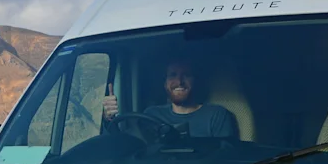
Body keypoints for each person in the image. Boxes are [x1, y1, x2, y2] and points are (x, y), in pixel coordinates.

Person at [101, 59, 239, 138]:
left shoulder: (216, 115)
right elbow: (128, 146)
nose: (179, 81)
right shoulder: (152, 114)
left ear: (195, 80)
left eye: (186, 75)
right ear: (165, 83)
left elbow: (223, 159)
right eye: (172, 75)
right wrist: (110, 119)